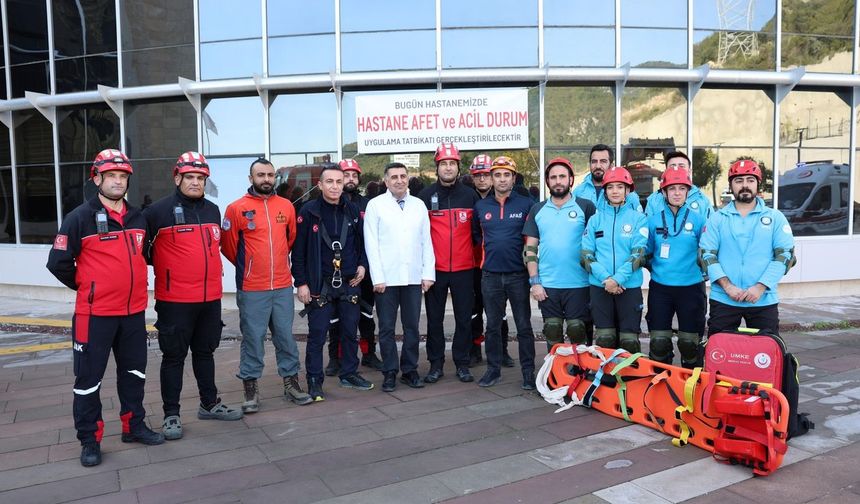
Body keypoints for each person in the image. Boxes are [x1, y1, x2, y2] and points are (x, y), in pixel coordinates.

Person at [47, 149, 164, 467]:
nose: (117, 181)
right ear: (96, 178)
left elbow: (144, 255)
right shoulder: (78, 218)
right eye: (111, 175)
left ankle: (133, 426)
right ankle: (90, 440)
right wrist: (89, 288)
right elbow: (58, 263)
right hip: (94, 316)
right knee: (88, 381)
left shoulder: (139, 217)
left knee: (134, 373)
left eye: (123, 176)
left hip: (133, 314)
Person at [143, 151, 242, 441]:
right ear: (177, 178)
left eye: (200, 178)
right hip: (175, 301)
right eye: (190, 177)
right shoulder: (157, 212)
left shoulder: (213, 210)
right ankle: (171, 414)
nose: (196, 182)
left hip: (210, 299)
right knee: (173, 357)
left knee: (205, 352)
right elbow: (142, 251)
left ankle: (209, 403)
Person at [221, 158, 312, 413]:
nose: (266, 179)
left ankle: (291, 383)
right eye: (260, 175)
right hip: (252, 287)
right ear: (251, 178)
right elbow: (229, 247)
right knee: (253, 338)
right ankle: (250, 389)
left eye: (270, 175)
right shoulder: (235, 208)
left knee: (285, 337)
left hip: (282, 285)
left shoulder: (286, 206)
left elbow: (290, 240)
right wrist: (250, 266)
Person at [293, 165, 374, 401]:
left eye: (339, 181)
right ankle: (314, 381)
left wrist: (363, 265)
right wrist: (301, 283)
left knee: (350, 331)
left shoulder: (353, 209)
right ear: (320, 185)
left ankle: (349, 373)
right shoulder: (309, 211)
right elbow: (298, 252)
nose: (335, 186)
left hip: (350, 281)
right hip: (320, 284)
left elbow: (363, 243)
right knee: (317, 335)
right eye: (330, 181)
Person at [699, 159, 795, 335]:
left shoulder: (775, 218)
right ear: (731, 185)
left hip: (763, 299)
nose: (745, 185)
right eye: (739, 181)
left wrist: (760, 287)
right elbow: (707, 255)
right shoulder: (717, 218)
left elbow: (784, 256)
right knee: (720, 349)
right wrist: (728, 287)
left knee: (765, 350)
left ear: (758, 184)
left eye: (750, 180)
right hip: (724, 299)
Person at [364, 162, 435, 392]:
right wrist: (377, 277)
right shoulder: (376, 205)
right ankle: (390, 372)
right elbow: (371, 243)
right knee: (386, 328)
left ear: (408, 178)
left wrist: (428, 273)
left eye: (403, 176)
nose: (399, 180)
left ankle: (410, 370)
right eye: (394, 177)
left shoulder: (419, 205)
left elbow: (426, 241)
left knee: (412, 326)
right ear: (386, 181)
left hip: (413, 276)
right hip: (386, 278)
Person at [417, 143, 480, 383]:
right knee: (434, 320)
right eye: (443, 163)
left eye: (452, 163)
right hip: (436, 270)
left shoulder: (470, 195)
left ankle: (462, 363)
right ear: (437, 167)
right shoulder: (425, 196)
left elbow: (477, 233)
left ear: (458, 167)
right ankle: (436, 364)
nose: (448, 167)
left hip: (464, 269)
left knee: (464, 318)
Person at [472, 156, 536, 389]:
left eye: (506, 175)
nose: (501, 179)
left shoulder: (526, 204)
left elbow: (532, 239)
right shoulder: (481, 207)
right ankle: (493, 370)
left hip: (518, 275)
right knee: (492, 326)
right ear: (491, 178)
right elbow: (477, 237)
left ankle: (528, 372)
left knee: (524, 326)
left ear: (513, 178)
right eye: (497, 175)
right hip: (490, 276)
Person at [523, 158, 596, 350]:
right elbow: (530, 250)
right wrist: (535, 282)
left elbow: (597, 245)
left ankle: (581, 367)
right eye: (553, 177)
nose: (558, 181)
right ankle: (556, 369)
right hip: (548, 285)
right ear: (547, 181)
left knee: (578, 331)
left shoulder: (586, 207)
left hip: (580, 284)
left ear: (571, 179)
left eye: (562, 176)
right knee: (552, 331)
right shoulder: (537, 209)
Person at [324, 159, 383, 376]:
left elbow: (372, 239)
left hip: (365, 270)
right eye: (346, 175)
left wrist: (365, 265)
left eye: (354, 175)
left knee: (366, 315)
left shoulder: (369, 205)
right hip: (337, 273)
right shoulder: (330, 205)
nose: (350, 179)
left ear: (359, 179)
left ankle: (369, 354)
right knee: (336, 318)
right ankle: (335, 358)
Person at [643, 166, 707, 368]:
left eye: (681, 188)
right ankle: (662, 380)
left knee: (690, 344)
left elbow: (708, 252)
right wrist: (659, 269)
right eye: (672, 188)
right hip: (660, 289)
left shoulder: (699, 220)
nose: (677, 193)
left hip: (691, 289)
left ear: (688, 192)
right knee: (659, 343)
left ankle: (692, 383)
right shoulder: (653, 221)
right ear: (664, 192)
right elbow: (646, 253)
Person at [581, 166, 648, 354]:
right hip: (600, 286)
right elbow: (586, 255)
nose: (615, 191)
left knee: (629, 341)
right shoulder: (595, 220)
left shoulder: (639, 219)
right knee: (605, 339)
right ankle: (606, 373)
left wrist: (617, 279)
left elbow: (638, 254)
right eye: (610, 187)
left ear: (628, 190)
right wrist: (606, 279)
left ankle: (629, 373)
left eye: (620, 186)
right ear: (605, 191)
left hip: (628, 286)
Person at [467, 154, 513, 367]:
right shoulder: (467, 197)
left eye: (486, 174)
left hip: (497, 265)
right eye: (478, 175)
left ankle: (502, 350)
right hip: (473, 265)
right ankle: (475, 349)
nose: (482, 179)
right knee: (474, 309)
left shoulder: (506, 197)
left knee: (499, 311)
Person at [645, 151, 712, 219]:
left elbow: (710, 224)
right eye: (672, 166)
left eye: (681, 166)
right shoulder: (654, 200)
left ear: (689, 172)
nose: (677, 170)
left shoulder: (702, 200)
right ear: (666, 171)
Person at [573, 144, 641, 210]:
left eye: (603, 161)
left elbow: (638, 216)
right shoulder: (578, 192)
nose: (598, 166)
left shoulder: (626, 193)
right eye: (594, 161)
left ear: (611, 165)